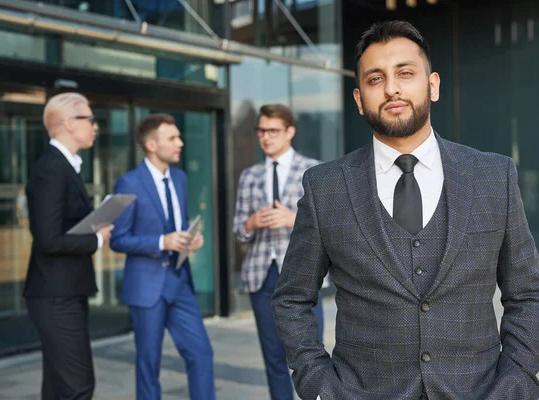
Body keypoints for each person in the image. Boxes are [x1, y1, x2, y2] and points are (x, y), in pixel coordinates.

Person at [271, 20, 539, 400]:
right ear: (358, 99)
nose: (392, 88)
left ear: (432, 85)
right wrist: (319, 386)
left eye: (405, 73)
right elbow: (291, 299)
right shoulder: (325, 187)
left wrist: (516, 384)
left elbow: (528, 294)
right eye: (375, 79)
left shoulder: (492, 175)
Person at [110, 113, 215, 400]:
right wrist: (162, 241)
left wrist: (189, 239)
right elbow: (118, 239)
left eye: (179, 136)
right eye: (172, 138)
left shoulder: (180, 178)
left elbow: (175, 225)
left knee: (202, 353)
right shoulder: (128, 183)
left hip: (180, 283)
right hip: (147, 287)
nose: (180, 143)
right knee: (148, 364)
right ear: (151, 145)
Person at [24, 92, 114, 399]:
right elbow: (48, 239)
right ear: (67, 124)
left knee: (59, 386)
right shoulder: (51, 168)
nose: (95, 126)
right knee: (78, 386)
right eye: (89, 119)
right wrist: (97, 239)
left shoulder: (66, 166)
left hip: (64, 290)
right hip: (55, 294)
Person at [233, 104, 327, 400]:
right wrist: (251, 222)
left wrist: (293, 218)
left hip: (303, 275)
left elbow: (330, 227)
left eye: (272, 130)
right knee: (272, 356)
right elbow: (238, 230)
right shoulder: (249, 176)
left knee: (310, 354)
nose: (265, 137)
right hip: (262, 277)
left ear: (290, 132)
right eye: (261, 130)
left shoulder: (314, 170)